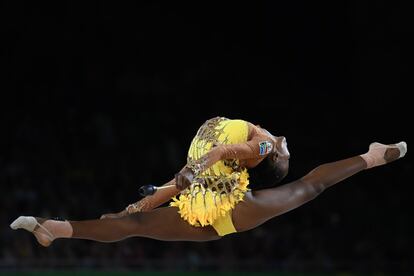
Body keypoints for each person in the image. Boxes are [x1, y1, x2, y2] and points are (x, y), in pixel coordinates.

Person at [10, 116, 407, 246]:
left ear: (272, 157)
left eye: (285, 152)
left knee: (309, 186)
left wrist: (190, 171)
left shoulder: (264, 146)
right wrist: (136, 206)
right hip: (204, 207)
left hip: (225, 207)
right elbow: (177, 184)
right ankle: (53, 230)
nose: (286, 144)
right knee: (129, 223)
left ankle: (374, 155)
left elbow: (216, 155)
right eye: (287, 149)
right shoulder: (253, 140)